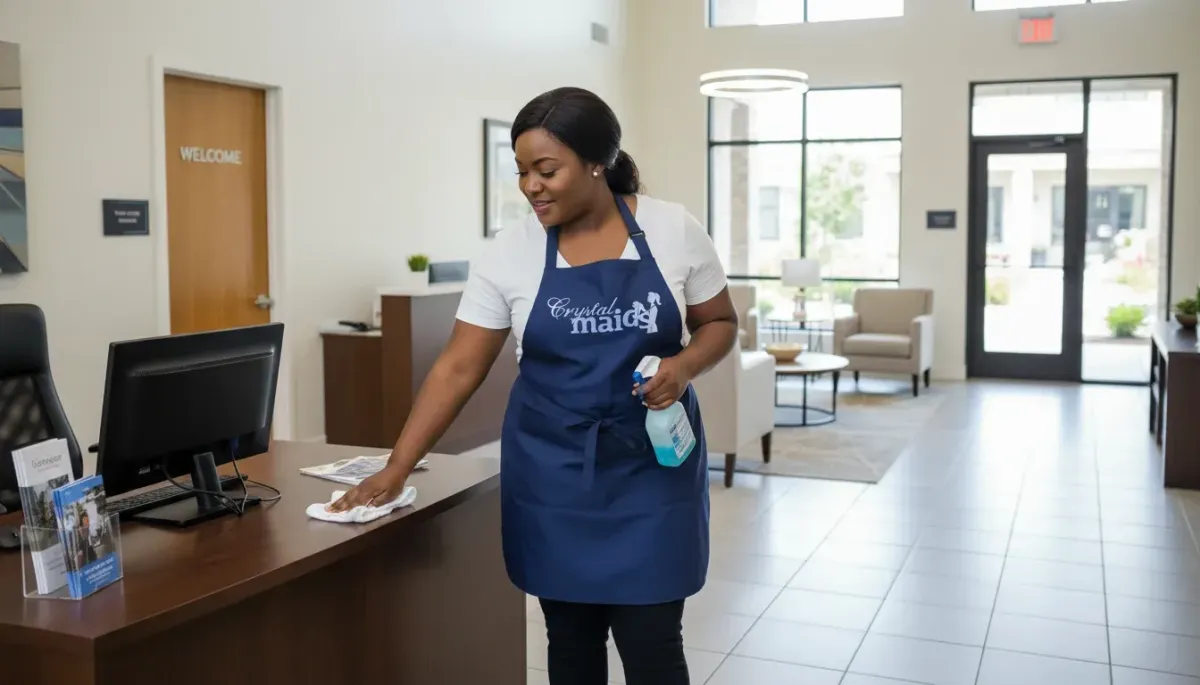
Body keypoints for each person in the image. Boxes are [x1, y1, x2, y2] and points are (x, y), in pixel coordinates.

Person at [329, 86, 738, 685]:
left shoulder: (672, 228)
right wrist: (397, 467)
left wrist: (683, 366)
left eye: (547, 170)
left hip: (651, 472)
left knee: (652, 646)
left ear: (597, 162)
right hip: (553, 475)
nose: (530, 187)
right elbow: (457, 368)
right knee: (570, 645)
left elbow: (720, 323)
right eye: (521, 172)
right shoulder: (511, 251)